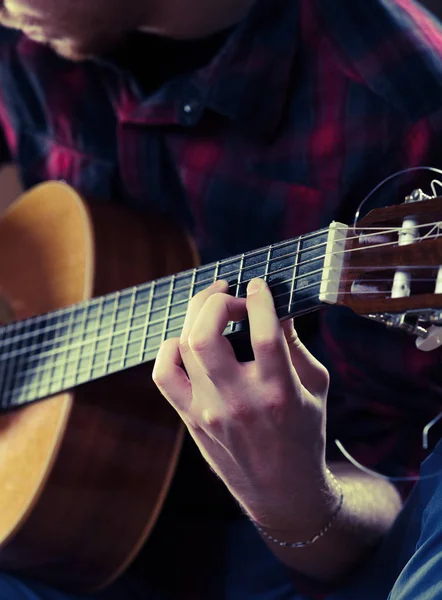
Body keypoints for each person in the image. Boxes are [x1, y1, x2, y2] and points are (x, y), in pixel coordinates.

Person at [0, 0, 442, 598]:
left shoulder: (401, 103)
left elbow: (403, 500)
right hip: (66, 504)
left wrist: (296, 500)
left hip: (268, 540)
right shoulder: (36, 30)